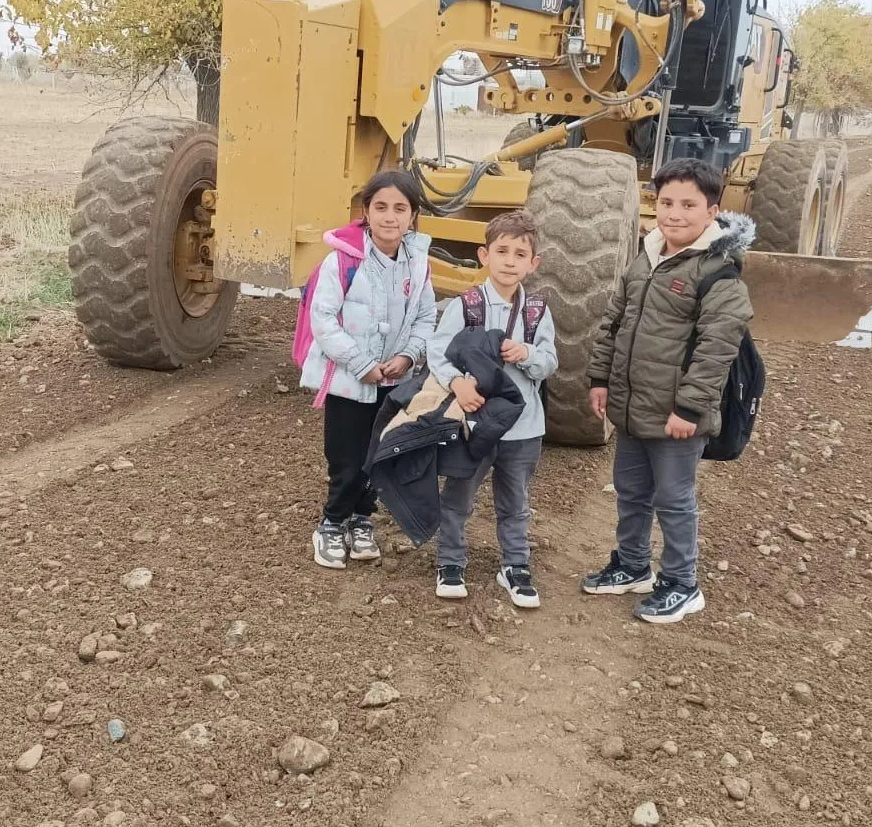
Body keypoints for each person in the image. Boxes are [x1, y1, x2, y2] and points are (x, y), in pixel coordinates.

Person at [580, 160, 754, 624]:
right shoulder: (647, 256)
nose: (674, 214)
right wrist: (600, 379)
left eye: (688, 205)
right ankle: (633, 565)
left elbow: (717, 349)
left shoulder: (718, 273)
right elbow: (613, 322)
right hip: (634, 408)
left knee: (674, 499)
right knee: (630, 490)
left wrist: (690, 408)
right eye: (667, 203)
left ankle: (682, 582)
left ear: (713, 211)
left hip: (678, 415)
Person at [300, 171, 437, 569]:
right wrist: (360, 364)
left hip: (394, 382)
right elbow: (323, 318)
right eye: (381, 207)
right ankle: (332, 523)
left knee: (379, 453)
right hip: (349, 381)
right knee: (346, 455)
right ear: (366, 212)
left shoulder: (419, 265)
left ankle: (362, 519)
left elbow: (426, 316)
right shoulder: (341, 261)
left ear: (413, 215)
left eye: (400, 208)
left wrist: (410, 356)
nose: (390, 217)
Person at [427, 210, 558, 608]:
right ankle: (450, 562)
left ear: (533, 263)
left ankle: (515, 567)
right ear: (484, 255)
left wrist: (528, 353)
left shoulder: (537, 312)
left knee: (515, 501)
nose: (509, 260)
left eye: (520, 253)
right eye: (502, 251)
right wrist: (458, 382)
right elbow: (438, 352)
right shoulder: (464, 306)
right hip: (473, 425)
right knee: (459, 495)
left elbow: (551, 361)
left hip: (523, 429)